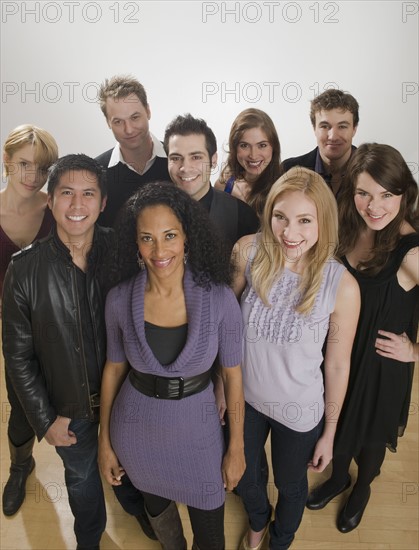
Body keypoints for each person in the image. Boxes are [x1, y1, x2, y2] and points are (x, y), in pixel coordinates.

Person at [98, 182, 246, 549]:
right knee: (165, 528)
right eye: (147, 238)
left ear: (187, 238)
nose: (159, 250)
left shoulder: (220, 299)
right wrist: (104, 441)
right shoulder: (119, 300)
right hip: (135, 435)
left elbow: (233, 375)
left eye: (169, 235)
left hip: (198, 436)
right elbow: (114, 370)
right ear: (135, 243)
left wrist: (237, 447)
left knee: (211, 538)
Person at [232, 167, 360, 549]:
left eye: (305, 220)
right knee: (244, 478)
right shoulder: (247, 251)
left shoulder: (343, 286)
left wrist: (331, 433)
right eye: (281, 217)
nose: (290, 233)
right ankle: (257, 519)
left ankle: (281, 538)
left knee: (290, 485)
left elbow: (338, 364)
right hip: (245, 399)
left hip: (299, 411)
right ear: (269, 212)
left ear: (324, 221)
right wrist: (222, 390)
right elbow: (222, 328)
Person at [306, 143, 419, 533]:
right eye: (364, 193)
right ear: (351, 190)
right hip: (338, 356)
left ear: (404, 195)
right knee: (337, 428)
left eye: (387, 195)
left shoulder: (411, 251)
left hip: (382, 368)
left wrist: (414, 350)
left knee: (370, 442)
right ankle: (338, 478)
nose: (375, 206)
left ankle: (362, 488)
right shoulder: (346, 229)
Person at [2, 154, 112, 549]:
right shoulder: (24, 268)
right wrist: (45, 418)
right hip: (68, 410)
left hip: (125, 400)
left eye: (88, 194)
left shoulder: (124, 253)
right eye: (66, 194)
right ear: (50, 201)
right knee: (82, 480)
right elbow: (17, 356)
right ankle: (89, 539)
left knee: (125, 469)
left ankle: (137, 511)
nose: (77, 206)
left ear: (102, 202)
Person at [1, 124, 58, 517]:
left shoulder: (55, 208)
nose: (32, 176)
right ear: (6, 162)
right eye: (23, 165)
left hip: (55, 327)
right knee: (20, 407)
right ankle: (21, 465)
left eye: (41, 168)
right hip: (11, 333)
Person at [164, 113, 260, 251]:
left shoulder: (241, 216)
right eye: (176, 158)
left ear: (213, 160)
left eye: (196, 157)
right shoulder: (150, 212)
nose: (185, 168)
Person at [95, 74, 170, 227]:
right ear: (108, 122)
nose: (128, 130)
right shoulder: (95, 171)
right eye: (118, 122)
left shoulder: (177, 161)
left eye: (135, 117)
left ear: (148, 111)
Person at [282, 89, 359, 197]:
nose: (333, 137)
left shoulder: (373, 169)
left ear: (354, 129)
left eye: (342, 126)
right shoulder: (289, 170)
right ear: (314, 128)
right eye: (324, 126)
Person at [215, 108, 281, 218]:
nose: (253, 155)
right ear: (234, 148)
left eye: (262, 145)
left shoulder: (283, 189)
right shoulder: (223, 186)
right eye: (244, 145)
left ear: (273, 147)